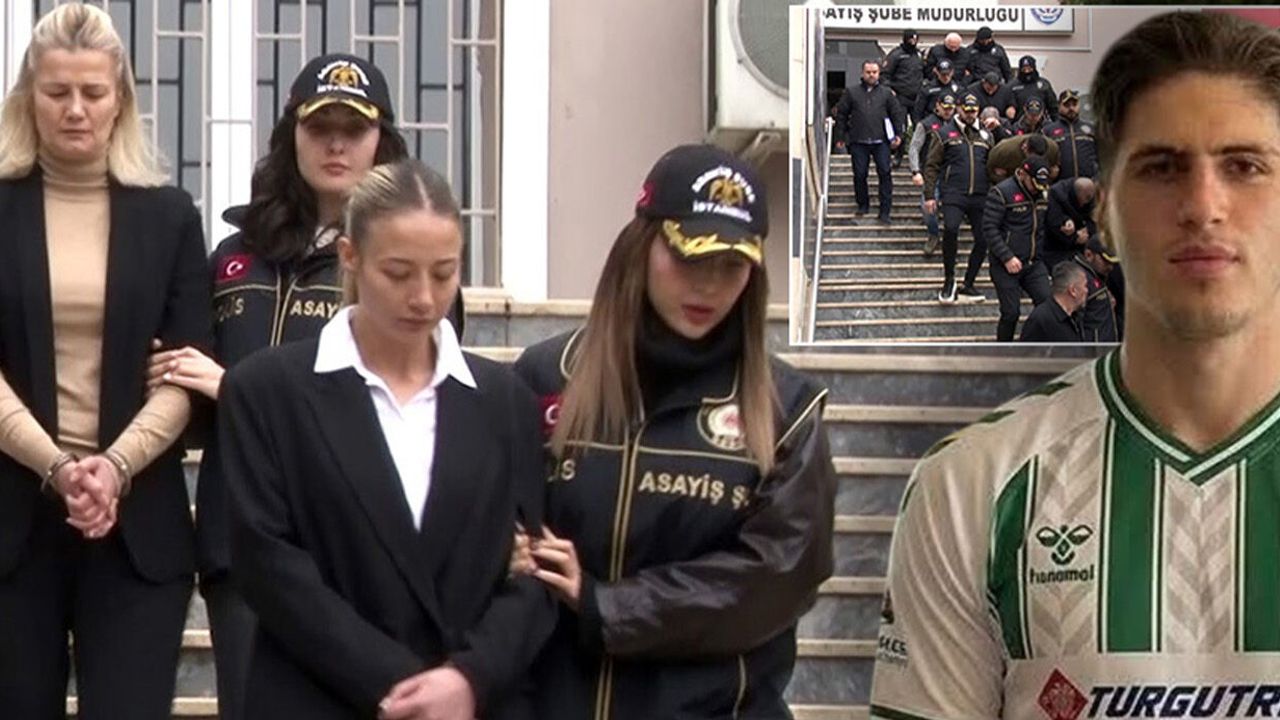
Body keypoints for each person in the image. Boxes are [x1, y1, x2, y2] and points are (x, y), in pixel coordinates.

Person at [870, 11, 1280, 718]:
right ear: (1106, 210)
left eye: (1245, 166)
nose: (1203, 206)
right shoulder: (972, 485)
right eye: (1161, 167)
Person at [145, 53, 464, 720]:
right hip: (242, 545)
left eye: (354, 129)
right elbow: (197, 407)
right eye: (320, 128)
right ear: (292, 135)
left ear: (383, 141)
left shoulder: (409, 274)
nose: (336, 145)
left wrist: (234, 387)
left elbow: (408, 408)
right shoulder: (233, 257)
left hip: (358, 550)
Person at [218, 158, 554, 719]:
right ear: (350, 256)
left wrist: (470, 677)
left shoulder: (505, 401)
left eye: (444, 274)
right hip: (317, 698)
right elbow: (268, 566)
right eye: (398, 273)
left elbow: (531, 572)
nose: (423, 298)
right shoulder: (266, 391)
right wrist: (407, 690)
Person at [512, 144, 835, 720]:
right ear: (642, 246)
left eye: (731, 265)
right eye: (690, 257)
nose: (708, 285)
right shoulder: (543, 378)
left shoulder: (788, 408)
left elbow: (777, 578)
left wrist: (607, 605)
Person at [0, 5, 212, 718]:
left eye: (93, 92)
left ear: (120, 98)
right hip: (12, 523)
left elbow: (187, 367)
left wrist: (114, 467)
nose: (75, 109)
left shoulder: (171, 215)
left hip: (138, 530)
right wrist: (58, 467)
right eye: (57, 92)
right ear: (28, 97)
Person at [922, 92, 993, 304]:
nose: (970, 115)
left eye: (974, 111)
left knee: (984, 238)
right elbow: (932, 166)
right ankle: (949, 279)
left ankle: (969, 283)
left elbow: (995, 163)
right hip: (953, 192)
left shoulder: (986, 135)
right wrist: (929, 195)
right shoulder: (944, 133)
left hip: (980, 194)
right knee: (951, 229)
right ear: (959, 109)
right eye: (966, 110)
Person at [984, 156, 1053, 341]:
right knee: (1011, 312)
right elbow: (989, 229)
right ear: (1023, 174)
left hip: (1034, 263)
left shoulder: (1043, 194)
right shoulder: (1001, 192)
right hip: (1005, 264)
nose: (1036, 189)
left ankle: (1032, 343)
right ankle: (1003, 350)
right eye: (1034, 184)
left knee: (1048, 306)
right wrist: (1006, 256)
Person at [832, 60, 904, 224]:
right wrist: (840, 137)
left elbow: (896, 115)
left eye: (874, 72)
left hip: (881, 141)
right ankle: (862, 204)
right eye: (868, 72)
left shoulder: (887, 93)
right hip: (858, 140)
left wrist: (898, 135)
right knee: (859, 174)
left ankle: (885, 211)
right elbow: (842, 115)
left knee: (885, 173)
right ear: (862, 73)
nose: (871, 75)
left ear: (879, 73)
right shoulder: (851, 92)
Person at [908, 92, 955, 257]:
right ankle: (933, 234)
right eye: (945, 108)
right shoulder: (926, 124)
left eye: (951, 108)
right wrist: (915, 171)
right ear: (937, 106)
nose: (948, 111)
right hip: (931, 172)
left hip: (952, 174)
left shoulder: (958, 124)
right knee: (928, 208)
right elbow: (914, 148)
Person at [883, 28, 924, 164]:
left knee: (919, 127)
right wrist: (890, 89)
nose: (913, 42)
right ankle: (898, 155)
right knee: (901, 127)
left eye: (915, 39)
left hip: (916, 98)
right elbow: (885, 75)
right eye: (910, 39)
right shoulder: (896, 54)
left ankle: (919, 156)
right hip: (900, 97)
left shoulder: (919, 54)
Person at [1019, 260, 1086, 342]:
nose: (1086, 290)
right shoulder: (1041, 319)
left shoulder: (1076, 317)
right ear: (1073, 290)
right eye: (1085, 286)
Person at [1042, 89, 1099, 180]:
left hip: (1088, 183)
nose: (1071, 108)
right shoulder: (1048, 131)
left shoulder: (1091, 129)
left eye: (1074, 104)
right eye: (1067, 105)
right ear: (1059, 106)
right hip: (1060, 184)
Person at [1043, 175, 1096, 270]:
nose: (1083, 204)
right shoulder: (1056, 193)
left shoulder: (1091, 198)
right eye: (1083, 200)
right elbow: (1053, 222)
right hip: (1056, 246)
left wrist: (1088, 230)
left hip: (1083, 241)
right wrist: (1074, 238)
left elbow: (1095, 219)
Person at [1074, 236, 1120, 343]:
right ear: (1089, 255)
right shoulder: (1079, 279)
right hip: (1091, 348)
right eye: (1105, 261)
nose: (1110, 267)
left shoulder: (1098, 275)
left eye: (1112, 263)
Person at [987, 132, 1059, 184]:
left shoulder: (1052, 148)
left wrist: (1053, 171)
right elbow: (990, 169)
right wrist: (1001, 179)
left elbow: (1055, 167)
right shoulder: (1003, 152)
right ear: (1024, 148)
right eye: (1032, 157)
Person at [1010, 55, 1058, 123]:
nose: (1026, 71)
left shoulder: (1044, 84)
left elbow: (1053, 107)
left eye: (1029, 69)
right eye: (1024, 69)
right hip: (1020, 124)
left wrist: (1056, 123)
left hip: (1041, 124)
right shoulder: (1013, 86)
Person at [913, 58, 962, 123]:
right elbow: (918, 111)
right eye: (943, 74)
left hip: (951, 123)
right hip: (931, 121)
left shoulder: (957, 89)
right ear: (937, 72)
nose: (946, 77)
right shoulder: (928, 89)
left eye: (948, 74)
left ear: (952, 72)